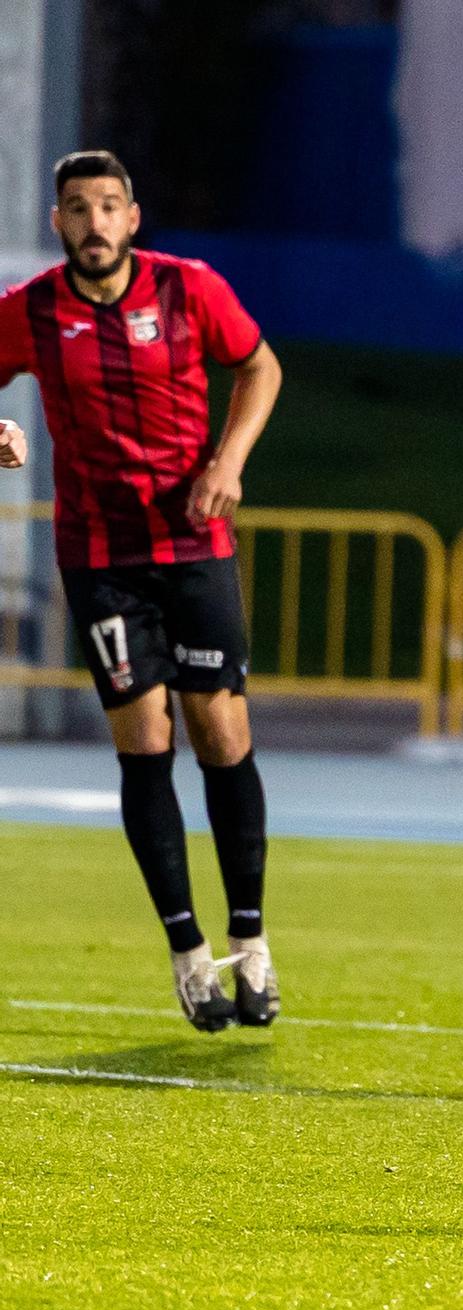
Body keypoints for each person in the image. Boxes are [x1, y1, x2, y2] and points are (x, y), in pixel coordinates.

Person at [0, 150, 283, 1031]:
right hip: (101, 556)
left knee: (222, 730)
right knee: (144, 738)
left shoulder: (188, 288)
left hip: (195, 542)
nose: (93, 222)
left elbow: (260, 366)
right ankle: (188, 952)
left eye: (108, 205)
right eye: (77, 208)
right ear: (59, 223)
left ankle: (252, 942)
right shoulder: (31, 311)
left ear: (131, 217)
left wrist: (227, 462)